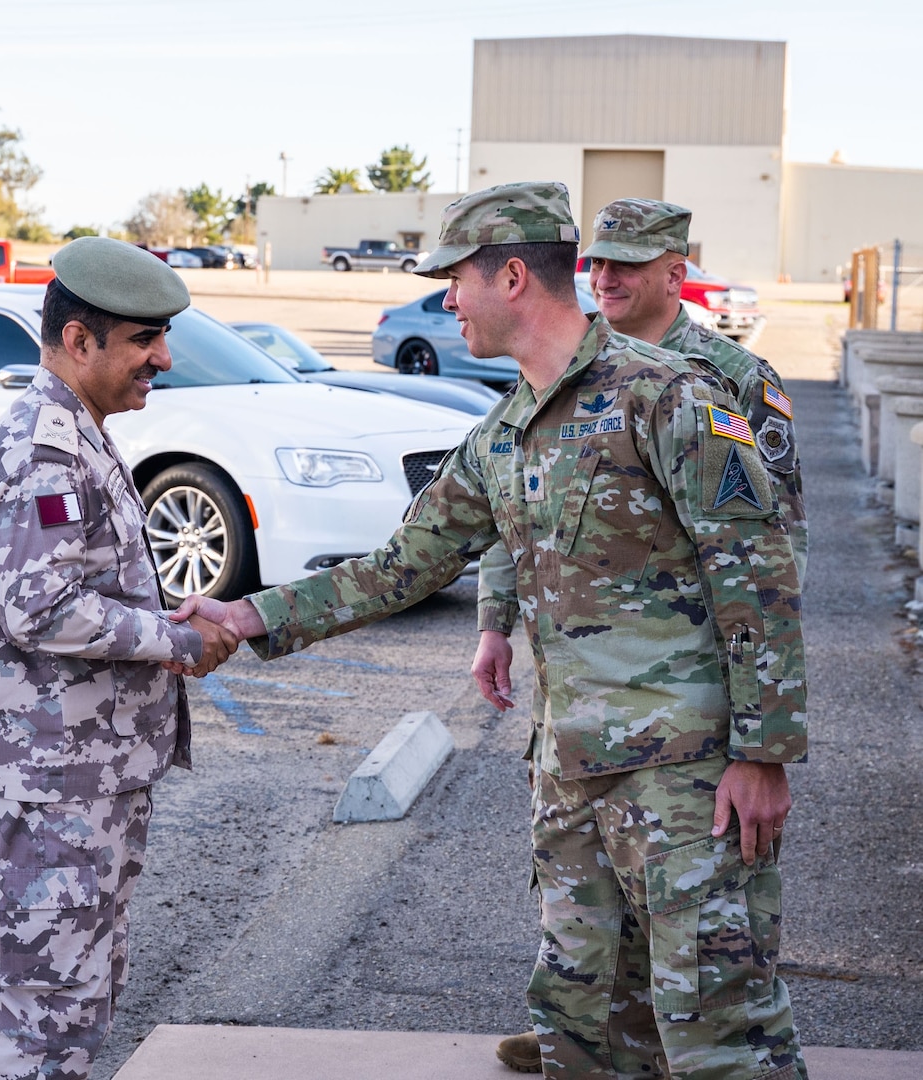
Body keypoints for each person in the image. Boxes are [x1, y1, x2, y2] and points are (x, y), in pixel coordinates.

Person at [174, 182, 809, 1080]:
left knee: (719, 1030)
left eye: (455, 279)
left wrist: (763, 752)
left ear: (511, 277)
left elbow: (761, 576)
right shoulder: (503, 434)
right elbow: (403, 566)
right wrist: (246, 614)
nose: (445, 300)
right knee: (582, 1028)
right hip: (571, 773)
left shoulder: (670, 397)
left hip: (688, 779)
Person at [475, 199, 810, 1074]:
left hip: (688, 707)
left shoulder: (729, 381)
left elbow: (770, 561)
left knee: (705, 931)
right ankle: (588, 1034)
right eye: (598, 262)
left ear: (677, 268)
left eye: (630, 262)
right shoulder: (563, 371)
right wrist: (494, 620)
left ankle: (686, 1042)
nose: (608, 277)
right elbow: (521, 511)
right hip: (589, 702)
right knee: (590, 901)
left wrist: (753, 732)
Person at [0, 236, 237, 1080]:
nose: (164, 357)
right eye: (144, 339)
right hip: (46, 785)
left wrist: (166, 618)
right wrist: (180, 640)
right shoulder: (41, 446)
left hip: (82, 778)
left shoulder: (79, 430)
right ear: (80, 341)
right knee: (43, 1016)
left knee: (76, 1002)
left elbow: (79, 589)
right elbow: (43, 607)